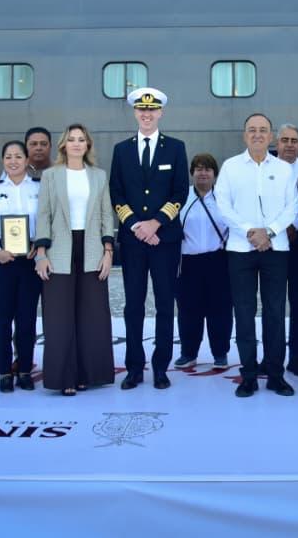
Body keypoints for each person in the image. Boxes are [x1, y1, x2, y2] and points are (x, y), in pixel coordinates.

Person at [110, 87, 188, 390]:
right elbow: (117, 192)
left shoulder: (175, 148)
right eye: (141, 110)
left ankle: (160, 367)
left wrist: (155, 223)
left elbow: (180, 191)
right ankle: (133, 367)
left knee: (166, 305)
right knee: (133, 306)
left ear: (160, 113)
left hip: (165, 240)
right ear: (135, 113)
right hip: (133, 242)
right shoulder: (122, 150)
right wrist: (135, 225)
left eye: (152, 110)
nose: (146, 114)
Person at [215, 113, 298, 398]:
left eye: (263, 130)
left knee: (275, 313)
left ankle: (275, 374)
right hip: (241, 250)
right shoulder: (230, 167)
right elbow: (223, 205)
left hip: (276, 251)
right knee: (245, 313)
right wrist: (251, 231)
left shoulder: (285, 169)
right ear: (244, 135)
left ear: (271, 136)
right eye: (252, 130)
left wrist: (270, 232)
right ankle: (249, 375)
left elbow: (293, 207)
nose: (258, 134)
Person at [35, 125, 116, 395]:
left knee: (92, 316)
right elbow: (43, 215)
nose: (76, 144)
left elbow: (107, 215)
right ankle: (64, 378)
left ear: (88, 145)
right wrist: (41, 254)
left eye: (81, 139)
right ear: (63, 145)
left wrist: (108, 252)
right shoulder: (51, 176)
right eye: (71, 139)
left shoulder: (99, 176)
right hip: (59, 249)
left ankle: (88, 375)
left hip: (92, 249)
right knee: (59, 318)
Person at [0, 140, 43, 393]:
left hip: (29, 259)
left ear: (27, 160)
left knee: (26, 318)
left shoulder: (39, 189)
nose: (13, 161)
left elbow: (45, 222)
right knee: (2, 318)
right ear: (3, 161)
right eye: (8, 157)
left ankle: (25, 369)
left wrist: (38, 245)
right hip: (0, 260)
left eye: (18, 156)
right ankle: (4, 371)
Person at [176, 153, 232, 369]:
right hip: (188, 262)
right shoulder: (182, 197)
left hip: (218, 260)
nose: (202, 173)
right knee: (189, 309)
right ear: (192, 173)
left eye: (207, 169)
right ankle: (188, 352)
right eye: (198, 168)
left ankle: (220, 353)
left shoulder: (223, 198)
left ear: (215, 174)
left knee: (221, 309)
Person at [277, 123, 298, 377]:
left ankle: (296, 357)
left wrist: (294, 225)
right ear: (277, 143)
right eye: (285, 140)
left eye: (294, 140)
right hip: (273, 241)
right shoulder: (265, 167)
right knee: (273, 303)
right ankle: (272, 356)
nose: (289, 144)